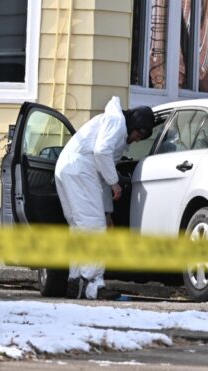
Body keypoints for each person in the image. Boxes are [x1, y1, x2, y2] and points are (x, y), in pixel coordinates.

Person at [55, 96, 154, 300]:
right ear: (134, 123)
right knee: (93, 228)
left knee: (79, 227)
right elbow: (101, 154)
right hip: (81, 169)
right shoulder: (116, 123)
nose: (137, 138)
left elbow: (100, 175)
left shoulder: (111, 124)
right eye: (139, 133)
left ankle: (75, 281)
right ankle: (95, 285)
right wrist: (115, 182)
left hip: (68, 167)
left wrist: (107, 212)